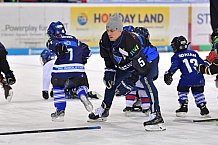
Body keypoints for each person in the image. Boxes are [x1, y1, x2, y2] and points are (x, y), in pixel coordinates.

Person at [88, 13, 165, 131]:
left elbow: (141, 67)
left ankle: (156, 115)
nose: (109, 33)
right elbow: (108, 58)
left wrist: (130, 81)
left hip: (148, 57)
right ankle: (104, 110)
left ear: (120, 30)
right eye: (108, 30)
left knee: (145, 79)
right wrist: (109, 72)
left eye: (113, 30)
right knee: (112, 81)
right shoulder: (105, 39)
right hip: (130, 60)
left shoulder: (130, 41)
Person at [46, 21, 93, 122]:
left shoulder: (53, 39)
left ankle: (60, 111)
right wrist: (82, 59)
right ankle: (82, 94)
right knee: (80, 84)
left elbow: (54, 46)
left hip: (61, 69)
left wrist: (58, 48)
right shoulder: (74, 39)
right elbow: (87, 51)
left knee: (58, 86)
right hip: (78, 68)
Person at [164, 36, 210, 117]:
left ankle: (183, 105)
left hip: (186, 79)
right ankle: (203, 107)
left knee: (181, 90)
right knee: (198, 92)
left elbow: (174, 66)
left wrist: (169, 74)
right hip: (199, 78)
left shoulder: (176, 56)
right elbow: (204, 64)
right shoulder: (194, 53)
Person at [122, 25, 151, 116]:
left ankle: (129, 106)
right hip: (141, 70)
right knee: (143, 89)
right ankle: (146, 107)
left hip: (131, 70)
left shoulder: (131, 43)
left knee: (131, 87)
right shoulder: (143, 46)